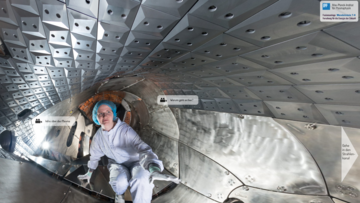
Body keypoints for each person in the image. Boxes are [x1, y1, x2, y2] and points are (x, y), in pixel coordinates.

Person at [77, 100, 180, 203]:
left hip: (137, 162)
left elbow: (142, 148)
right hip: (117, 164)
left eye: (108, 112)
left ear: (113, 113)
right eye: (100, 114)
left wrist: (153, 169)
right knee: (118, 182)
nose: (104, 116)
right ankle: (120, 194)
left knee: (142, 180)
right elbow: (95, 156)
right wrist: (89, 173)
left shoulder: (125, 131)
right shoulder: (98, 137)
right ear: (96, 117)